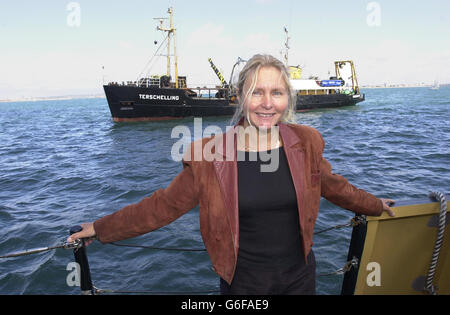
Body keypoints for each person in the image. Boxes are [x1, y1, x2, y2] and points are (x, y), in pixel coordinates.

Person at [68, 54, 395, 295]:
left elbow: (334, 186)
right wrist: (100, 228)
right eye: (256, 92)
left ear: (287, 99)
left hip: (300, 280)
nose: (267, 104)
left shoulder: (305, 143)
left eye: (277, 93)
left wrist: (374, 204)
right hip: (242, 286)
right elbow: (162, 207)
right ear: (240, 97)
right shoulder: (210, 155)